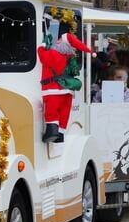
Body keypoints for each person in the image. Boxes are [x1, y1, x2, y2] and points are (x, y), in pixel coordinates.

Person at [38, 11, 94, 143]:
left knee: (52, 111)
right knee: (64, 111)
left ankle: (52, 130)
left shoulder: (53, 54)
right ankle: (61, 133)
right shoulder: (70, 58)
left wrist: (43, 44)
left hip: (53, 89)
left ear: (60, 42)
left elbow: (41, 54)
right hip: (68, 91)